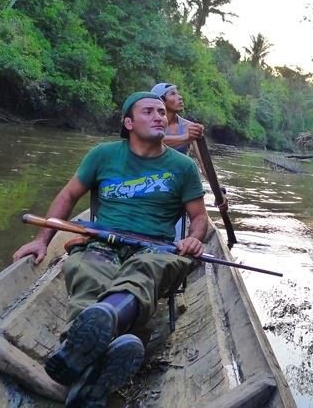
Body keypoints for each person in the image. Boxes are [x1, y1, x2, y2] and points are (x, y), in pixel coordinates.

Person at [12, 92, 208, 408]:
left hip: (156, 248)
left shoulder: (183, 166)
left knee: (143, 273)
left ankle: (82, 345)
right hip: (104, 241)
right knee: (88, 270)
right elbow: (67, 196)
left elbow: (199, 218)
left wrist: (193, 239)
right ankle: (102, 359)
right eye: (149, 111)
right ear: (128, 123)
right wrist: (41, 241)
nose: (159, 116)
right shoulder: (103, 155)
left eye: (161, 111)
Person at [151, 82, 228, 215]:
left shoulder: (190, 127)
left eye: (178, 93)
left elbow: (204, 164)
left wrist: (219, 190)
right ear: (160, 101)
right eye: (173, 94)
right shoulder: (149, 125)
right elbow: (152, 143)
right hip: (152, 183)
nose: (180, 97)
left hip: (178, 185)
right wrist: (186, 137)